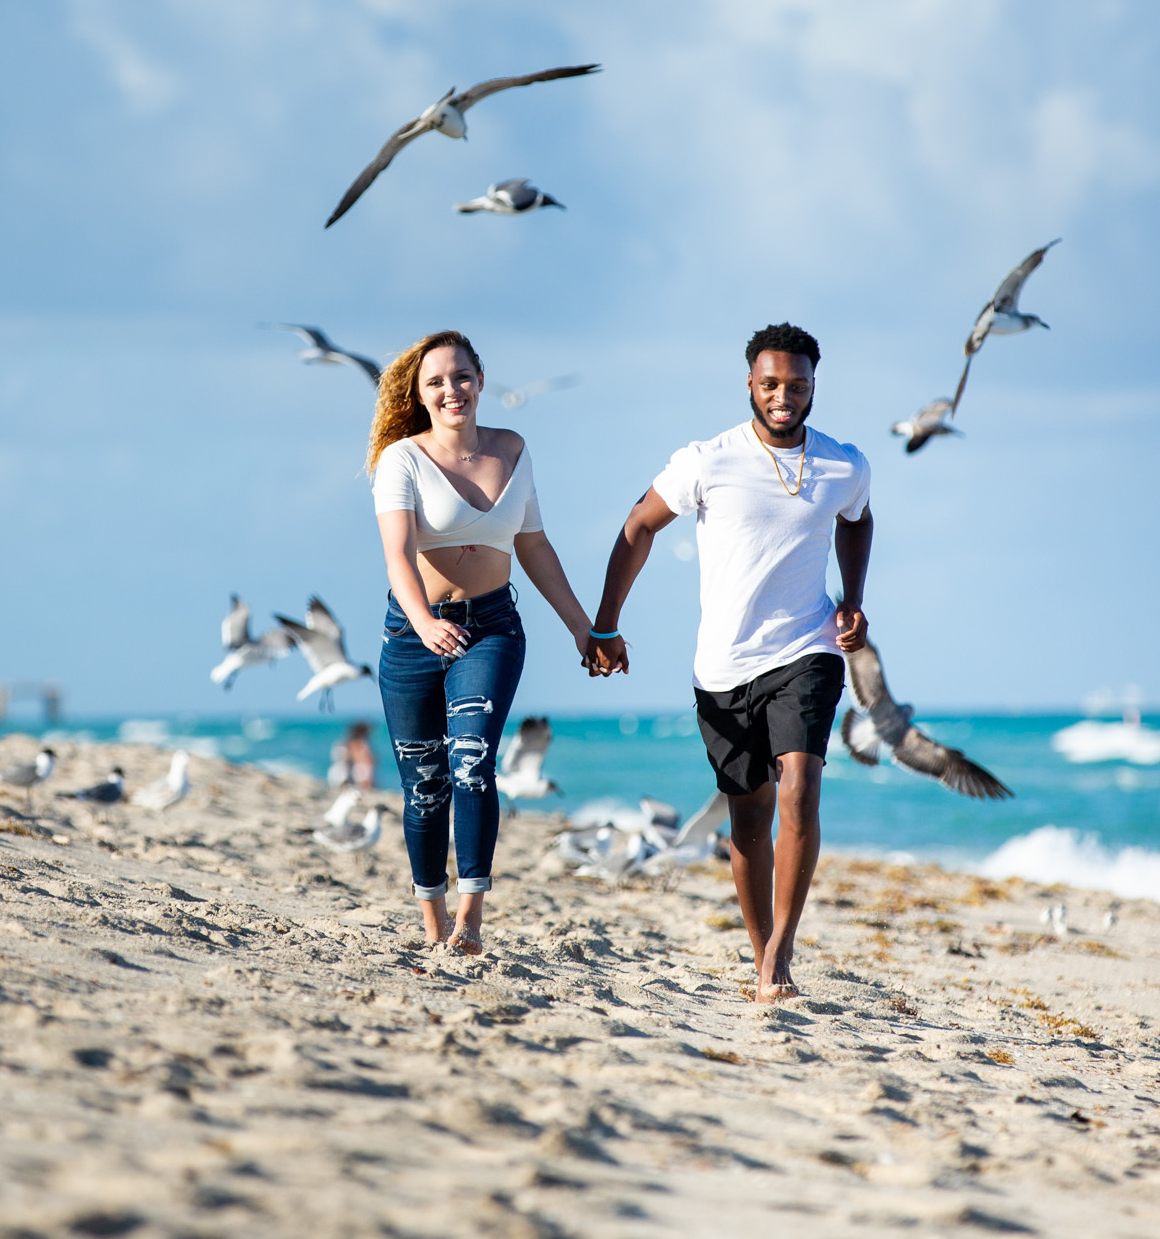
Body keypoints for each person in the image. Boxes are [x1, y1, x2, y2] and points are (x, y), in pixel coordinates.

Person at [589, 323, 872, 1001]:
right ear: (750, 382)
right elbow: (637, 526)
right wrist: (606, 622)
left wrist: (854, 600)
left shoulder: (844, 463)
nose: (784, 396)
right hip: (722, 666)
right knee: (749, 816)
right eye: (771, 383)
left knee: (800, 786)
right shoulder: (706, 461)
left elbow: (856, 519)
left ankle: (781, 951)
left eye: (797, 385)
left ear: (813, 387)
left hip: (807, 647)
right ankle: (759, 949)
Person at [371, 329, 600, 955]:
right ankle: (433, 925)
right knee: (424, 785)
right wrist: (422, 621)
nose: (453, 390)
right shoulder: (402, 459)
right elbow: (396, 555)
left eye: (462, 376)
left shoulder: (513, 448)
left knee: (472, 762)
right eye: (437, 382)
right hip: (413, 633)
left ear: (480, 378)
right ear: (420, 395)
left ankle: (470, 924)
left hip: (491, 628)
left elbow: (532, 544)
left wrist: (584, 626)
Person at [327, 721, 378, 790]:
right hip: (350, 774)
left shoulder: (344, 742)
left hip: (335, 773)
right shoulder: (359, 744)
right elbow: (367, 761)